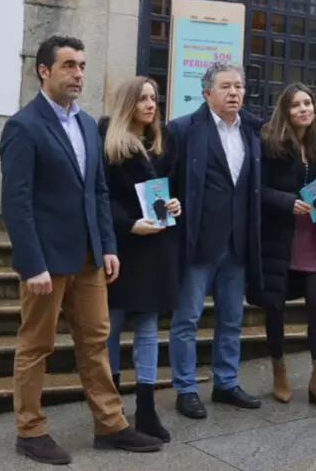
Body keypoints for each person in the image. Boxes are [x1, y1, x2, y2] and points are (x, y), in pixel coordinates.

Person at [0, 35, 161, 465]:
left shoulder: (89, 124)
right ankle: (30, 431)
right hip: (46, 263)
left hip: (90, 258)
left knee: (96, 342)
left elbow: (99, 192)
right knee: (37, 346)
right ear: (44, 71)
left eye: (82, 66)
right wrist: (32, 263)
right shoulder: (24, 126)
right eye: (69, 65)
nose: (78, 74)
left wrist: (108, 245)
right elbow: (16, 203)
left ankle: (110, 425)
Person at [167, 62, 264, 420]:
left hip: (237, 244)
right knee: (187, 319)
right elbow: (166, 182)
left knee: (231, 319)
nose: (235, 93)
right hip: (197, 243)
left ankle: (225, 382)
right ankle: (186, 388)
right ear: (207, 93)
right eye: (226, 87)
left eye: (238, 86)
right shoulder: (182, 130)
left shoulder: (252, 131)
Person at [251, 82, 316, 411]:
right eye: (297, 105)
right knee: (275, 307)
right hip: (280, 238)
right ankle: (279, 371)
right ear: (285, 111)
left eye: (309, 103)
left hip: (313, 238)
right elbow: (258, 190)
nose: (305, 109)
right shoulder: (269, 143)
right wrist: (287, 202)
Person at [98, 76, 180, 443]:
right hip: (122, 244)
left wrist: (175, 205)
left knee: (148, 325)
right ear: (128, 102)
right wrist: (130, 225)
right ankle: (110, 413)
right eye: (144, 98)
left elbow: (165, 193)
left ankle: (146, 409)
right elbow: (100, 196)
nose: (151, 104)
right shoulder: (108, 139)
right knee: (112, 327)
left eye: (154, 98)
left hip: (156, 245)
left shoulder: (162, 144)